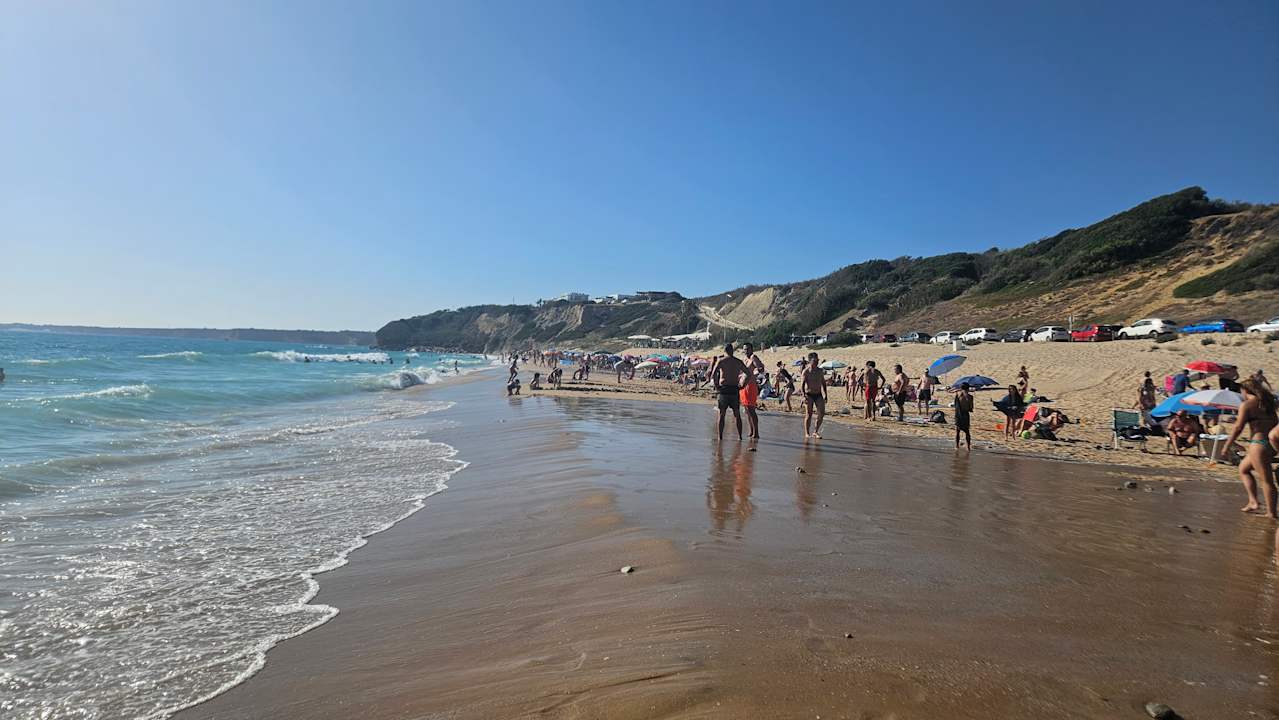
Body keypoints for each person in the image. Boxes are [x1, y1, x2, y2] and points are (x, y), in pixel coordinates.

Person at [1224, 379, 1279, 516]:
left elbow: (1238, 428)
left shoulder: (1247, 405)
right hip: (1271, 444)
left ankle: (1271, 513)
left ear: (1245, 390)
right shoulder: (1269, 404)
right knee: (1243, 468)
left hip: (1258, 445)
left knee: (1266, 480)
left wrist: (1227, 445)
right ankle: (1253, 502)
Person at [712, 344, 750, 441]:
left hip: (724, 389)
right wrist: (743, 385)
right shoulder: (738, 362)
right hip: (734, 389)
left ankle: (720, 437)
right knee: (737, 414)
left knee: (721, 414)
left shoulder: (721, 361)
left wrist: (717, 386)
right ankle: (740, 437)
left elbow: (713, 374)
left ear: (725, 351)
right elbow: (748, 374)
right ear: (732, 351)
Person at [800, 352, 827, 438]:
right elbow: (802, 385)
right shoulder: (806, 371)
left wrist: (826, 394)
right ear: (810, 361)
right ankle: (807, 433)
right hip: (809, 394)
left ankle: (815, 431)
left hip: (818, 394)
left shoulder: (820, 371)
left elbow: (823, 383)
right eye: (815, 360)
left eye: (817, 360)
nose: (817, 362)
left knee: (821, 413)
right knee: (809, 414)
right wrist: (803, 396)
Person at [740, 366, 761, 440]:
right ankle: (751, 430)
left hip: (750, 386)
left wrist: (754, 374)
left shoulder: (753, 358)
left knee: (751, 409)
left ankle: (756, 432)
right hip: (744, 386)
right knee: (747, 410)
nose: (745, 353)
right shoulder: (746, 359)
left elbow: (761, 367)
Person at [954, 382, 974, 450]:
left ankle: (957, 446)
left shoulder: (958, 395)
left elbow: (955, 405)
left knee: (958, 431)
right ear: (968, 389)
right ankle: (968, 447)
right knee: (967, 431)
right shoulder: (970, 397)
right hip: (965, 415)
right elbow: (971, 408)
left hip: (958, 414)